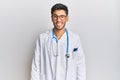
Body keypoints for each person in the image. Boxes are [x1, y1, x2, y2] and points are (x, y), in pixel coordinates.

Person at [30, 3, 86, 80]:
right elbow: (36, 65)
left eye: (62, 16)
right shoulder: (42, 38)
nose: (58, 20)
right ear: (51, 18)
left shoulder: (75, 39)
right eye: (55, 16)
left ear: (67, 18)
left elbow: (80, 65)